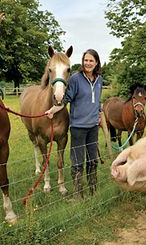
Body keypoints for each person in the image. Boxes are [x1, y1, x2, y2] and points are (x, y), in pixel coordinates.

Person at [46, 49, 103, 198]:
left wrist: (99, 113)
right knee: (78, 162)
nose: (88, 63)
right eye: (86, 60)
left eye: (91, 60)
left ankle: (93, 190)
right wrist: (53, 109)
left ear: (96, 62)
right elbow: (66, 99)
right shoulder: (76, 79)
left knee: (93, 160)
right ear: (82, 62)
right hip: (78, 127)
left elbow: (97, 99)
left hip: (93, 127)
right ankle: (79, 194)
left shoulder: (99, 80)